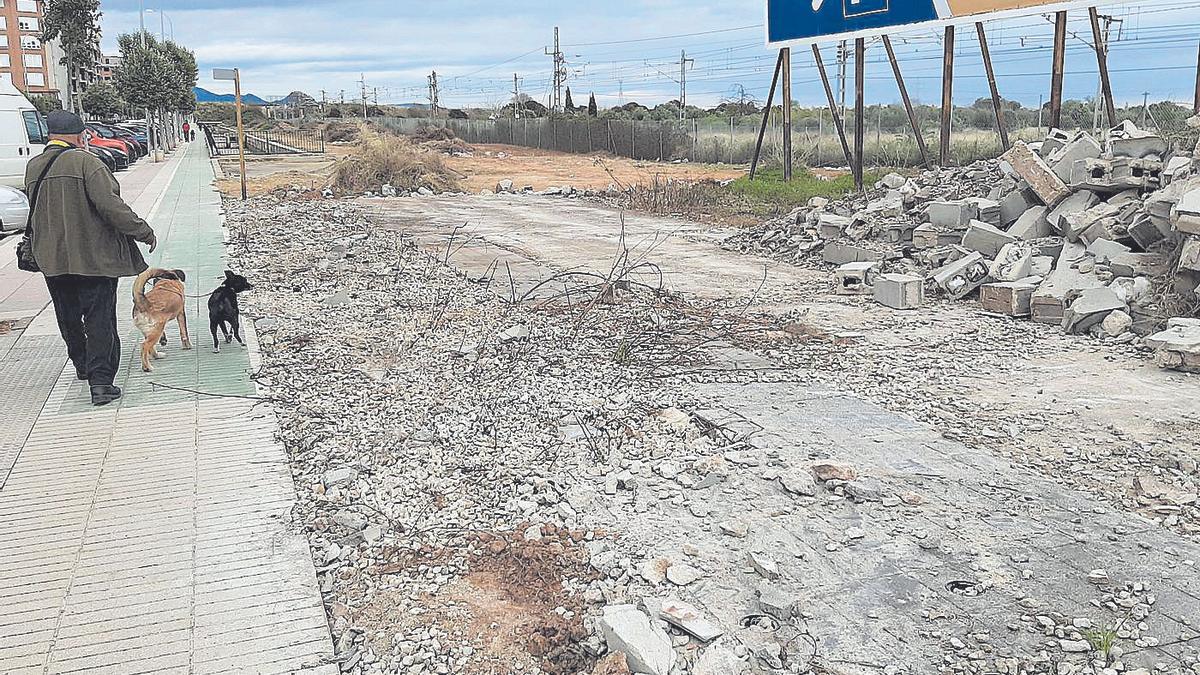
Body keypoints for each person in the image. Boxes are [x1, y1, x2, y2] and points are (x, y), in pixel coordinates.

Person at [25, 111, 158, 406]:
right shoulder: (87, 163)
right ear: (78, 135)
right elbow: (111, 206)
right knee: (99, 317)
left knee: (68, 316)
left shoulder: (34, 166)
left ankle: (83, 366)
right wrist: (143, 231)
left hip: (52, 258)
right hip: (93, 258)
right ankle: (100, 382)